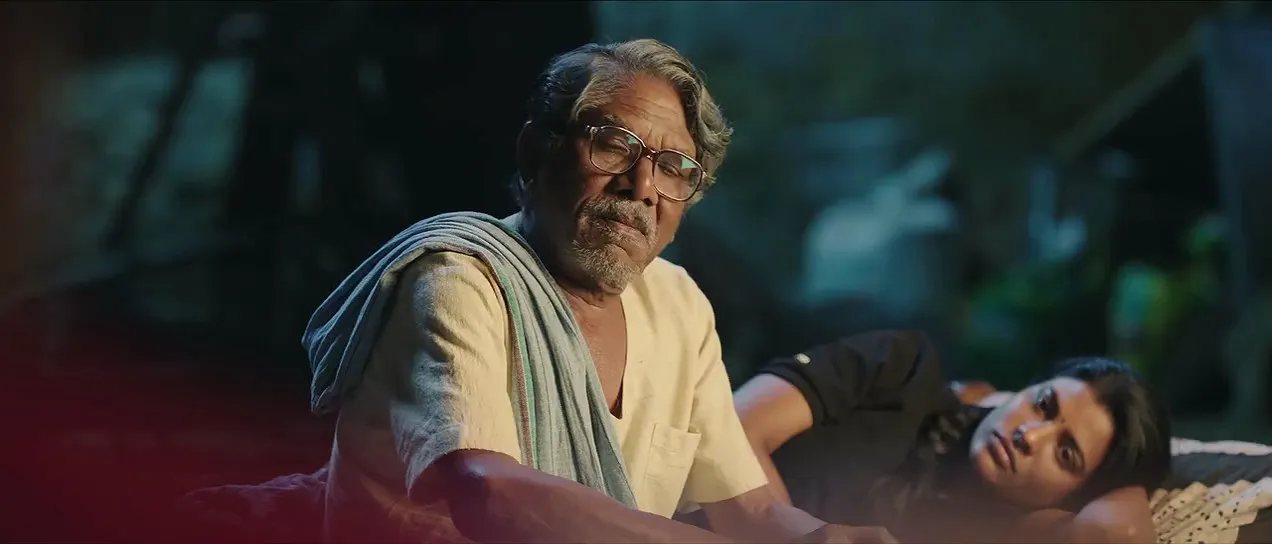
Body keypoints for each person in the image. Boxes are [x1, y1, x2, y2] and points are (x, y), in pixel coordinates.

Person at [302, 39, 891, 544]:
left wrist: (823, 536)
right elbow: (489, 491)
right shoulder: (461, 280)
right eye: (614, 145)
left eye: (673, 168)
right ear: (536, 151)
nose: (642, 187)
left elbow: (749, 509)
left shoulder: (679, 303)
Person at [734, 330, 1173, 543]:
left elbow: (1116, 534)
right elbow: (734, 425)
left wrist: (1128, 480)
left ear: (1072, 499)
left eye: (1065, 454)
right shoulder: (902, 370)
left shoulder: (996, 532)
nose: (1030, 435)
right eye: (1043, 404)